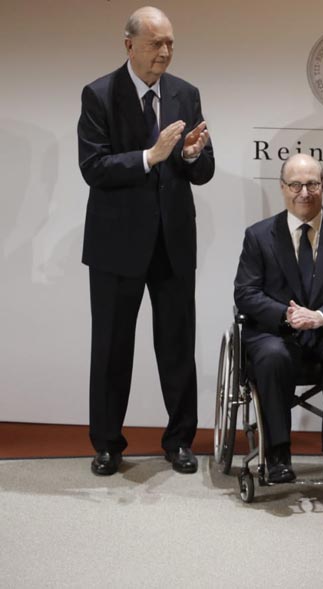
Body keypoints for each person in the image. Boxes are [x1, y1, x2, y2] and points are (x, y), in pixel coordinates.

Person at [78, 6, 214, 476]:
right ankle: (108, 445)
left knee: (177, 346)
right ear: (129, 44)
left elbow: (204, 170)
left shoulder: (185, 94)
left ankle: (180, 441)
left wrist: (193, 156)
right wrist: (148, 157)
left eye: (171, 43)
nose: (165, 52)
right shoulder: (99, 94)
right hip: (116, 246)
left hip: (173, 243)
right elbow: (93, 168)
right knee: (112, 347)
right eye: (156, 43)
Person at [233, 154, 323, 484]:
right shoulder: (258, 235)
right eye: (295, 184)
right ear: (283, 188)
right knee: (272, 356)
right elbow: (246, 293)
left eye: (312, 184)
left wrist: (321, 317)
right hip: (275, 335)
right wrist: (287, 315)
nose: (304, 192)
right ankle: (277, 454)